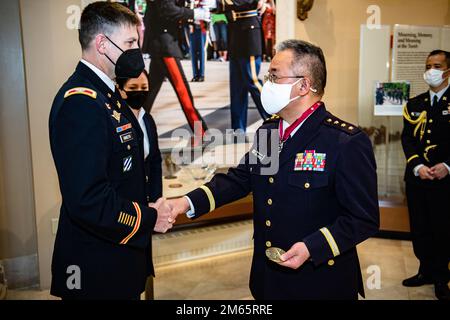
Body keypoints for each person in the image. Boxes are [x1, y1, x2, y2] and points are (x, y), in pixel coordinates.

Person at [167, 39, 380, 299]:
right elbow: (240, 179)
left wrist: (312, 247)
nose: (266, 83)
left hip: (318, 280)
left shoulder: (344, 141)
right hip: (269, 278)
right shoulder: (270, 131)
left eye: (274, 76)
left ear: (303, 85)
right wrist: (185, 202)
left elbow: (363, 218)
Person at [48, 2, 174, 300]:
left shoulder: (108, 96)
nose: (135, 51)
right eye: (130, 43)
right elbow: (88, 198)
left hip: (120, 253)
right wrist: (147, 218)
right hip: (96, 264)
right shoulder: (82, 102)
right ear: (102, 43)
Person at [401, 49, 450, 301]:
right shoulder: (415, 103)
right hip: (418, 178)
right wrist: (417, 165)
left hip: (445, 181)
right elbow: (407, 138)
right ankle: (425, 271)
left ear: (448, 70)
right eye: (429, 65)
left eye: (438, 65)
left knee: (442, 229)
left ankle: (442, 277)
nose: (432, 70)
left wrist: (447, 166)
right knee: (420, 228)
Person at [116, 70, 163, 299]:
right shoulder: (117, 119)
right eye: (133, 89)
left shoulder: (147, 119)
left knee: (141, 264)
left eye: (144, 87)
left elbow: (154, 161)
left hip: (145, 204)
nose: (140, 93)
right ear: (121, 89)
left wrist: (156, 202)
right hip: (124, 205)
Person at [142, 0, 210, 137]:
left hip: (162, 41)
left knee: (148, 95)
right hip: (164, 44)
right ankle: (201, 133)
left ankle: (134, 126)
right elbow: (168, 9)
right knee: (183, 92)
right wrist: (194, 14)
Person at [207, 0, 270, 132]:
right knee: (237, 85)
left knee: (251, 80)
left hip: (249, 33)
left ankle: (273, 118)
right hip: (235, 32)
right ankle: (238, 129)